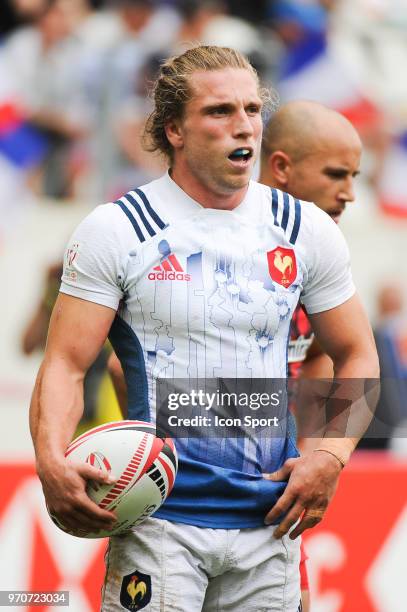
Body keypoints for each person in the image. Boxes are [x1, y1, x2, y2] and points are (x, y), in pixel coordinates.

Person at [30, 45, 378, 611]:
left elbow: (358, 353)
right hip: (159, 521)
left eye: (251, 109)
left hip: (271, 523)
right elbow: (66, 364)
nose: (243, 125)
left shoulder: (304, 228)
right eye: (220, 111)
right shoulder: (117, 230)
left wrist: (329, 457)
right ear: (174, 129)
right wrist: (50, 459)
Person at [259, 99, 363, 612]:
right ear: (281, 168)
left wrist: (317, 452)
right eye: (335, 174)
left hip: (272, 505)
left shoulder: (320, 253)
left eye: (355, 175)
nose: (349, 192)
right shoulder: (219, 241)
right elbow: (125, 367)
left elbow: (334, 356)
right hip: (191, 502)